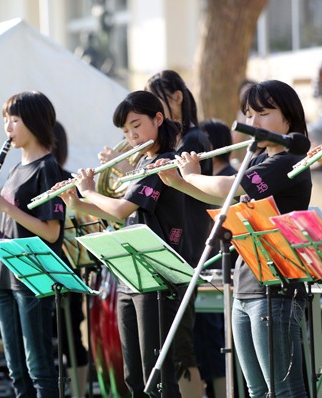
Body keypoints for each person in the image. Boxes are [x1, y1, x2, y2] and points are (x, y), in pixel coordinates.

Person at [158, 79, 311, 397]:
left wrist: (190, 174)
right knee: (255, 390)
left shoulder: (289, 162)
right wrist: (177, 183)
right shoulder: (258, 160)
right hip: (244, 286)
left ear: (289, 117)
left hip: (276, 289)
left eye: (264, 113)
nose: (253, 123)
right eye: (249, 114)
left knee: (283, 391)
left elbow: (228, 187)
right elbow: (219, 200)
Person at [60, 90, 184, 397]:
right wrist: (77, 204)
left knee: (159, 378)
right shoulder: (142, 162)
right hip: (132, 275)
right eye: (126, 131)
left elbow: (120, 209)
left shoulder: (163, 162)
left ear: (158, 119)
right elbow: (117, 212)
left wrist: (88, 191)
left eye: (136, 125)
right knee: (134, 378)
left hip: (158, 276)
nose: (131, 135)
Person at [0, 91, 65, 397]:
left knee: (39, 369)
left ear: (33, 121)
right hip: (4, 276)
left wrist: (3, 205)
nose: (8, 127)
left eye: (15, 120)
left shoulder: (48, 168)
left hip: (31, 278)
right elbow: (11, 231)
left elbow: (50, 232)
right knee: (16, 371)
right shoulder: (14, 169)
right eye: (6, 120)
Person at [144, 69, 210, 397]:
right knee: (172, 345)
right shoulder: (174, 143)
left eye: (158, 100)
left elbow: (194, 193)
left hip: (186, 247)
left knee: (181, 346)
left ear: (177, 97)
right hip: (175, 247)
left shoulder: (193, 140)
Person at [194, 119, 237, 398]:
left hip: (224, 274)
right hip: (208, 274)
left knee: (216, 346)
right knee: (204, 347)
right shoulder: (212, 180)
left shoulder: (229, 179)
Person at [51, 120, 89, 398]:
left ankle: (77, 392)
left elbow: (84, 223)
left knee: (71, 336)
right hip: (46, 267)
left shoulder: (69, 181)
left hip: (69, 267)